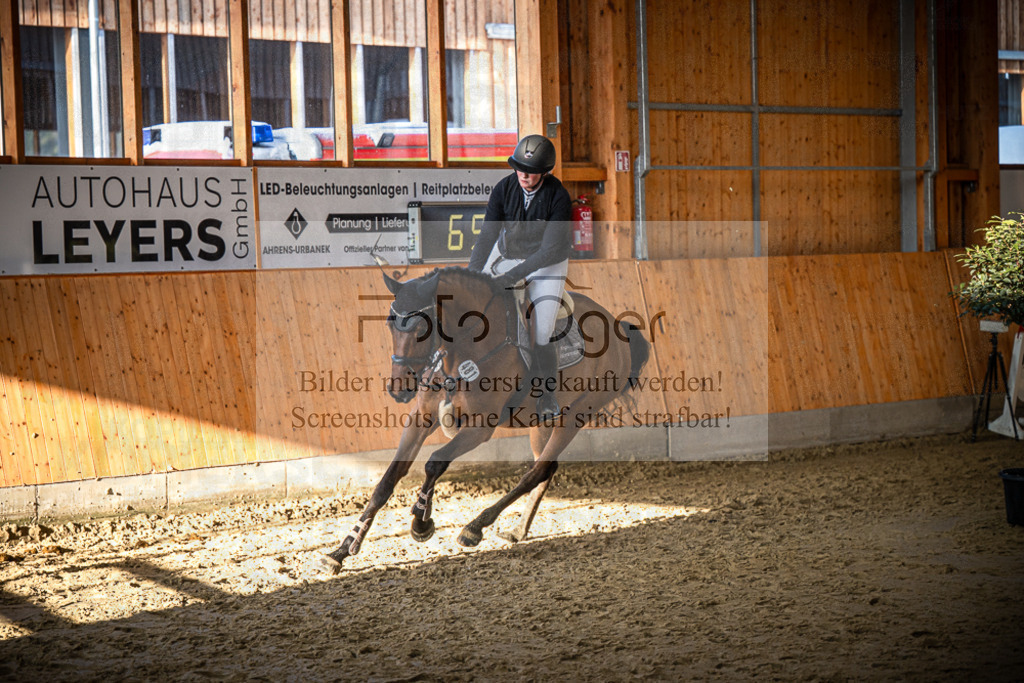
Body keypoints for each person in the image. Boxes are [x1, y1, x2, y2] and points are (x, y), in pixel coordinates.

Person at [468, 134, 573, 420]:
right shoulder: (504, 188)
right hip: (507, 253)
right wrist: (471, 275)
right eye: (520, 168)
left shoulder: (559, 197)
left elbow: (549, 250)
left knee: (541, 329)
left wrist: (512, 276)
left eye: (531, 171)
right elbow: (488, 235)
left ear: (545, 171)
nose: (524, 175)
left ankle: (547, 395)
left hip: (547, 262)